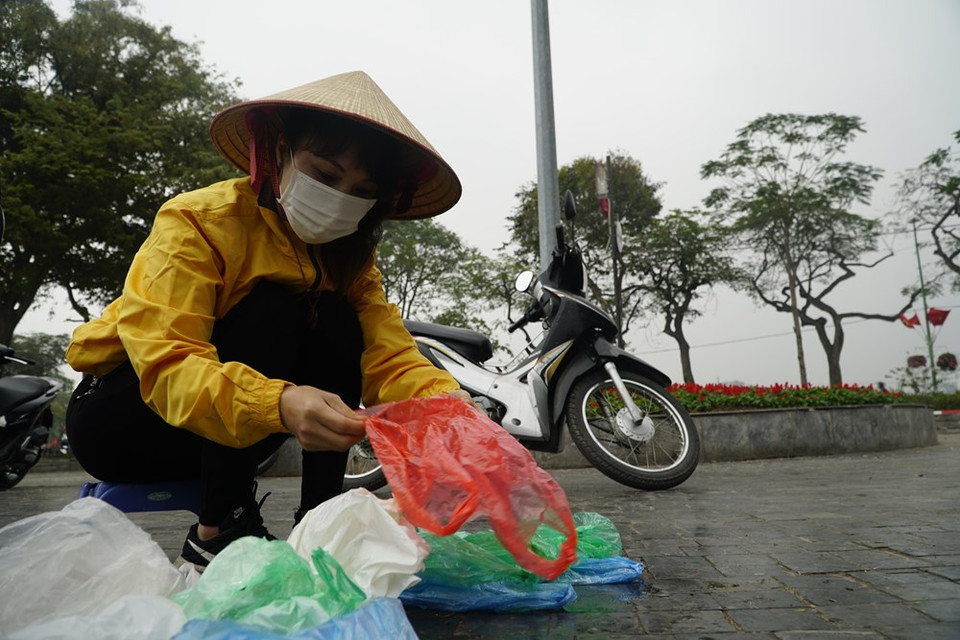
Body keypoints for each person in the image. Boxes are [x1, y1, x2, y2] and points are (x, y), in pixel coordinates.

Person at [64, 71, 471, 569]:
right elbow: (168, 363)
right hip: (127, 422)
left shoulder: (354, 266)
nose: (341, 197)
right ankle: (219, 529)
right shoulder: (197, 222)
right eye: (324, 174)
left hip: (241, 433)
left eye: (361, 190)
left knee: (338, 320)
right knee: (272, 309)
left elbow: (388, 357)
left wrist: (445, 405)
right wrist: (278, 401)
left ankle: (322, 521)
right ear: (278, 152)